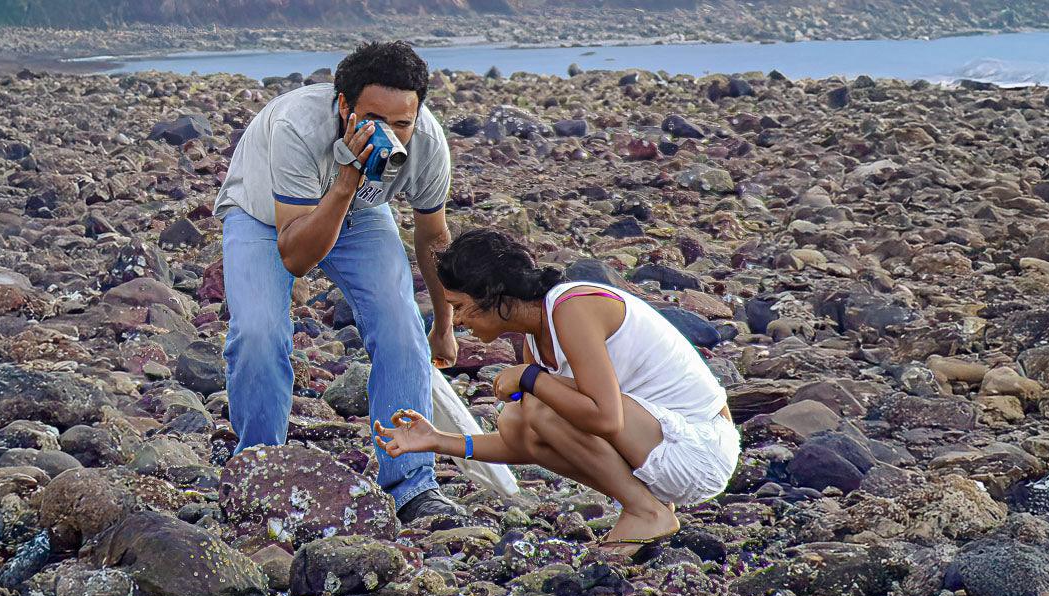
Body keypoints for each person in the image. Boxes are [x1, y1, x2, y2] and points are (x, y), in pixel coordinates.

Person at [215, 41, 465, 521]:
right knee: (259, 335)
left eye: (402, 123)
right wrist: (348, 176)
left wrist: (444, 322)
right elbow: (296, 257)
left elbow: (433, 238)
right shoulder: (297, 127)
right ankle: (259, 470)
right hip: (265, 217)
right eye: (374, 119)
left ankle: (412, 484)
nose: (390, 135)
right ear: (344, 105)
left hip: (360, 215)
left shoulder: (427, 143)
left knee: (401, 329)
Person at [374, 229, 741, 550]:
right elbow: (528, 444)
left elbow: (606, 418)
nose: (457, 320)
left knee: (536, 405)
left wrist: (531, 378)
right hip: (660, 450)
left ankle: (645, 512)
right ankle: (649, 506)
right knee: (517, 418)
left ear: (492, 294)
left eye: (460, 307)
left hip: (701, 450)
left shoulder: (571, 307)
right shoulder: (536, 338)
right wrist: (439, 440)